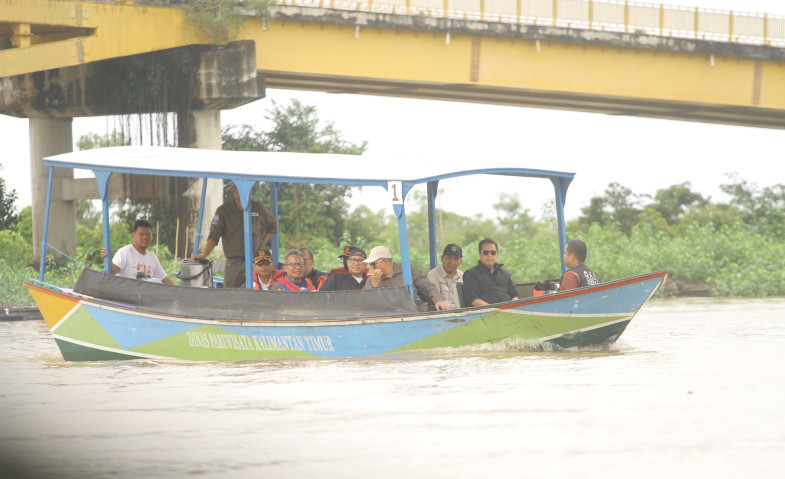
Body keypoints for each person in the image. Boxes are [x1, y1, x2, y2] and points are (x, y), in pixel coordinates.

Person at [191, 184, 277, 288]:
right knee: (231, 296)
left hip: (256, 263)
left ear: (251, 191)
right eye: (239, 188)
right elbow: (214, 235)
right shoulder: (223, 211)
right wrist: (204, 255)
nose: (243, 192)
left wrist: (261, 243)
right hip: (233, 263)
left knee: (256, 294)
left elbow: (272, 226)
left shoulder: (258, 208)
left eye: (247, 189)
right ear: (233, 190)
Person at [363, 246, 449, 311]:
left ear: (385, 261)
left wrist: (438, 300)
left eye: (374, 263)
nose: (372, 267)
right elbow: (369, 305)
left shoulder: (408, 269)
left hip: (418, 310)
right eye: (371, 264)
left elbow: (426, 286)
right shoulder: (372, 280)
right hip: (390, 316)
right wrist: (374, 286)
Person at [102, 219, 174, 285]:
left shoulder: (153, 258)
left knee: (157, 281)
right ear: (134, 235)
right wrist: (109, 259)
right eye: (141, 234)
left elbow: (165, 280)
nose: (145, 237)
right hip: (127, 294)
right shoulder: (125, 252)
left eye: (148, 234)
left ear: (152, 236)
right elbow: (113, 271)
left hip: (145, 296)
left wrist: (181, 293)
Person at [462, 238, 519, 306]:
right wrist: (494, 310)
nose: (489, 255)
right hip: (485, 314)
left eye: (493, 252)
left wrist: (512, 307)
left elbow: (515, 296)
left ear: (497, 255)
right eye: (486, 252)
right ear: (480, 255)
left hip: (510, 311)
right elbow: (473, 300)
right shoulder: (471, 274)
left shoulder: (505, 274)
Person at [427, 243, 464, 309]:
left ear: (460, 261)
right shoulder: (433, 275)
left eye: (456, 259)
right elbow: (435, 301)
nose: (452, 262)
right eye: (449, 258)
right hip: (442, 314)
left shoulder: (463, 276)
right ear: (442, 258)